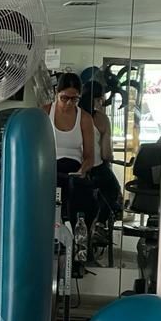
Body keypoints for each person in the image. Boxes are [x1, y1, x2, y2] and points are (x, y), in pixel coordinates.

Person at [44, 73, 97, 225]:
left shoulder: (85, 118)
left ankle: (77, 231)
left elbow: (89, 156)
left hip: (74, 170)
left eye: (74, 99)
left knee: (80, 197)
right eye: (64, 98)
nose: (68, 103)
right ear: (57, 93)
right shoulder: (45, 113)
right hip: (51, 169)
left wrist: (82, 171)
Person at [79, 79, 123, 218]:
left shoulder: (71, 116)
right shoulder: (101, 119)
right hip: (95, 169)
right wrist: (111, 157)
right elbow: (105, 154)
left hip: (71, 167)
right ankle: (101, 222)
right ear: (99, 99)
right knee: (113, 191)